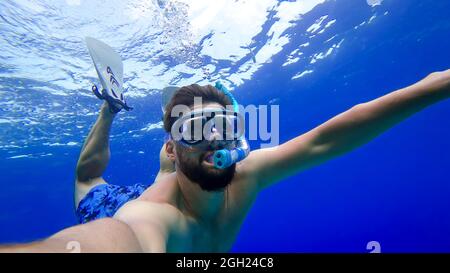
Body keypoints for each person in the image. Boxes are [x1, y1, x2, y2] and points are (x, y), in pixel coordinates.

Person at [1, 69, 449, 252]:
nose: (215, 140)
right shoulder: (147, 217)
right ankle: (110, 108)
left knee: (180, 171)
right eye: (197, 130)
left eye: (224, 127)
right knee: (88, 178)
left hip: (175, 173)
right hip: (120, 202)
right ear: (175, 146)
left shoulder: (248, 175)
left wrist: (437, 85)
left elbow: (326, 139)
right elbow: (120, 239)